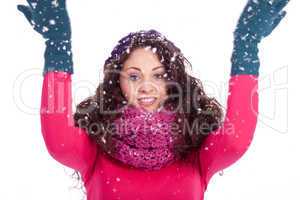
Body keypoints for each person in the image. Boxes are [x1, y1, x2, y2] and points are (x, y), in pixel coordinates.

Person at [17, 0, 289, 199]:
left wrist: (246, 46)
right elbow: (59, 141)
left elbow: (235, 140)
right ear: (118, 82)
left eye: (158, 76)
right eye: (134, 76)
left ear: (173, 82)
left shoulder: (195, 149)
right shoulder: (98, 148)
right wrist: (57, 48)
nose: (146, 86)